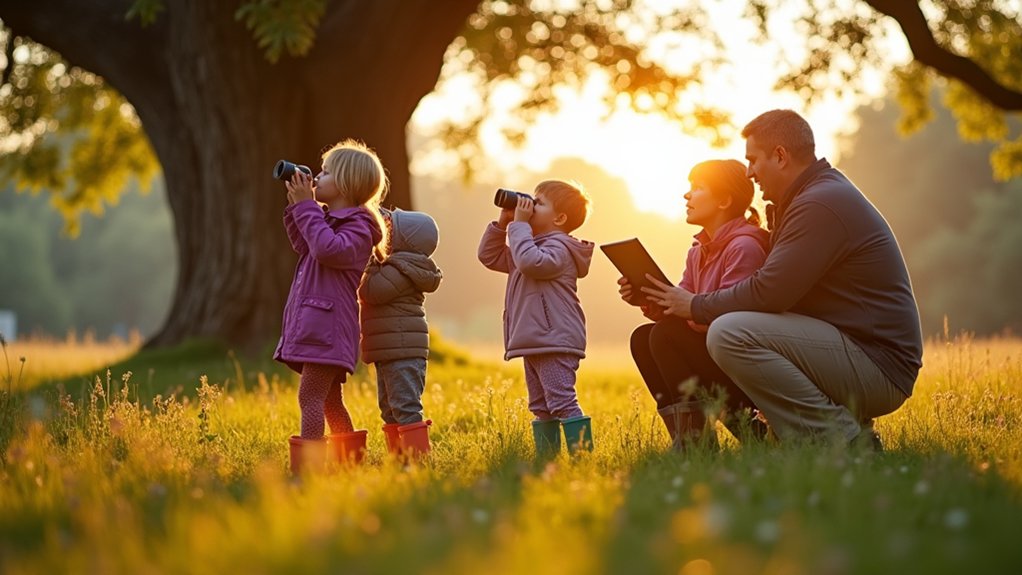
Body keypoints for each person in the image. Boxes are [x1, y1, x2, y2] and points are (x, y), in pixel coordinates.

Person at [624, 109, 922, 449]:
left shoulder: (820, 203)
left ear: (780, 156)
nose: (749, 173)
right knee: (678, 334)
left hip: (877, 366)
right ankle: (777, 437)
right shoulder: (805, 200)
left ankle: (843, 439)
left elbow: (770, 294)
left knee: (729, 331)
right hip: (850, 353)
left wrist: (695, 305)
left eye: (753, 160)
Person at [629, 159, 770, 449]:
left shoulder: (744, 247)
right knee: (643, 338)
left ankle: (751, 431)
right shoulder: (698, 252)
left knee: (666, 334)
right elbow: (680, 310)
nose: (687, 195)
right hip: (714, 357)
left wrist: (685, 311)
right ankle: (689, 438)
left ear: (724, 200)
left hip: (742, 365)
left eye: (697, 188)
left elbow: (734, 320)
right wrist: (646, 298)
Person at [274, 139, 388, 474]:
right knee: (329, 400)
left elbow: (327, 250)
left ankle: (307, 471)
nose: (317, 177)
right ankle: (351, 461)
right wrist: (299, 207)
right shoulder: (326, 220)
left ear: (347, 184)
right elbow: (305, 245)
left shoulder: (359, 227)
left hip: (329, 328)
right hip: (316, 323)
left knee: (309, 396)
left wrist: (307, 209)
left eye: (325, 172)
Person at [478, 180, 594, 457]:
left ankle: (584, 458)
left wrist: (519, 227)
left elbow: (532, 262)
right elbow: (489, 256)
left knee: (562, 401)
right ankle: (548, 461)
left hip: (554, 339)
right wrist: (504, 223)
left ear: (560, 218)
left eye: (538, 203)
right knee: (541, 406)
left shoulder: (560, 248)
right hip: (536, 339)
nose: (528, 206)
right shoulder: (527, 246)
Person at [359, 208, 443, 460]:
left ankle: (416, 459)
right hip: (392, 349)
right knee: (389, 408)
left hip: (402, 350)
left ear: (404, 241)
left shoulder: (401, 270)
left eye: (390, 230)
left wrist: (371, 259)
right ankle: (400, 458)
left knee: (405, 406)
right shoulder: (399, 266)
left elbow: (370, 292)